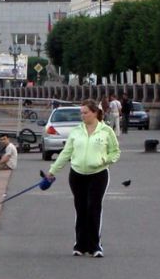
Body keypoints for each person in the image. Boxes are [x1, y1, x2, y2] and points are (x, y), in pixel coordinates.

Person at [43, 99, 121, 258]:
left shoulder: (106, 131)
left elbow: (115, 152)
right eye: (81, 112)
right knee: (81, 208)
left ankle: (95, 246)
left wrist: (105, 160)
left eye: (85, 112)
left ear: (94, 113)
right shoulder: (76, 131)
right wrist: (52, 171)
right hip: (77, 174)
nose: (82, 115)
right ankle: (80, 244)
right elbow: (66, 153)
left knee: (94, 207)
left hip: (98, 174)